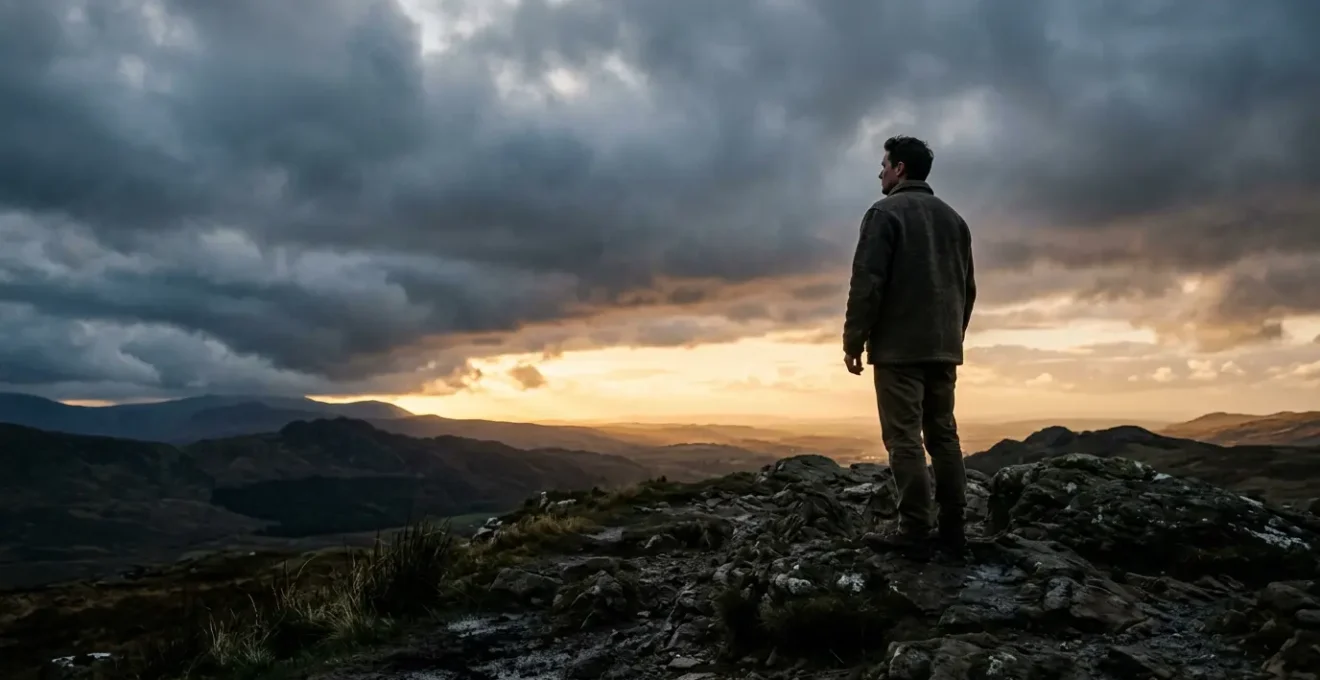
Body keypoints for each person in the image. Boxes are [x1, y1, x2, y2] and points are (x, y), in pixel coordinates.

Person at [842, 135, 976, 552]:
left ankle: (915, 530)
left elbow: (867, 284)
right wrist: (953, 335)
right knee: (944, 435)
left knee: (903, 438)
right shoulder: (955, 220)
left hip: (899, 349)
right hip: (944, 346)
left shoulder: (883, 214)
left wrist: (853, 340)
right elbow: (967, 289)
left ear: (900, 169)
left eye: (884, 164)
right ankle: (954, 529)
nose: (879, 172)